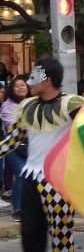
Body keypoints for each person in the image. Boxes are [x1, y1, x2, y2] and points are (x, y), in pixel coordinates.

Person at [0, 58, 84, 252]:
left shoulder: (71, 104)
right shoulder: (27, 107)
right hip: (30, 178)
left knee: (60, 235)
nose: (28, 81)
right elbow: (13, 140)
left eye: (34, 76)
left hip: (58, 180)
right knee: (29, 235)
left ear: (46, 79)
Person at [1, 75, 31, 221]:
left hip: (32, 144)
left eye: (23, 85)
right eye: (16, 86)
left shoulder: (34, 102)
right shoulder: (7, 105)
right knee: (21, 173)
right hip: (12, 144)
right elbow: (12, 125)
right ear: (12, 89)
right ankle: (18, 209)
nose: (20, 88)